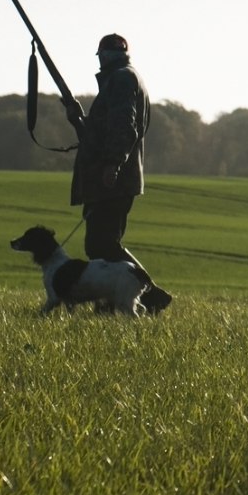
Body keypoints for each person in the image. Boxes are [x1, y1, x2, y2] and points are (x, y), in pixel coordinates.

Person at [70, 33, 171, 311]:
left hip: (113, 177)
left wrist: (113, 164)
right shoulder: (124, 77)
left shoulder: (122, 79)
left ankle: (148, 297)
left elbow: (124, 127)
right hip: (115, 174)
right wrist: (80, 122)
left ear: (103, 55)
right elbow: (106, 129)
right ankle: (123, 300)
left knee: (102, 245)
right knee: (102, 244)